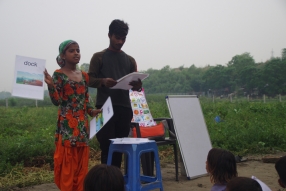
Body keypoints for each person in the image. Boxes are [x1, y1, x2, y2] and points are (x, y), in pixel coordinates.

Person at [44, 40, 101, 191]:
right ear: (63, 55)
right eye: (72, 51)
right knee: (68, 166)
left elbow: (86, 100)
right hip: (67, 129)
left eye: (78, 50)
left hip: (82, 127)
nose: (76, 53)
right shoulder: (58, 75)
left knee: (81, 167)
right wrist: (50, 85)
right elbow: (57, 101)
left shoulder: (84, 76)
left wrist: (92, 111)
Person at [88, 19, 142, 168]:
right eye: (117, 38)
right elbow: (89, 80)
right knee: (106, 147)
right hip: (103, 108)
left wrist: (137, 86)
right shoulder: (98, 57)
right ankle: (106, 183)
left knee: (119, 148)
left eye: (123, 38)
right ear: (109, 35)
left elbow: (135, 87)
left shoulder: (130, 60)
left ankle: (115, 182)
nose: (120, 41)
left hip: (124, 108)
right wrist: (103, 81)